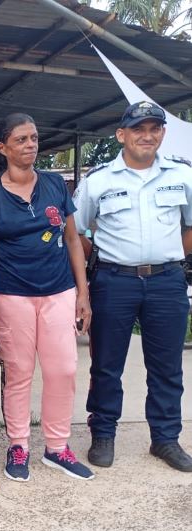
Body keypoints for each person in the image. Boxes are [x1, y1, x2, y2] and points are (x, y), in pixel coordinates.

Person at [0, 113, 94, 482]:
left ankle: (57, 448)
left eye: (34, 138)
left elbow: (73, 240)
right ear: (3, 148)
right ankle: (19, 444)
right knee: (19, 372)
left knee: (64, 369)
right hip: (12, 296)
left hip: (58, 291)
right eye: (22, 139)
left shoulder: (56, 184)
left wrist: (82, 292)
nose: (30, 145)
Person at [74, 101, 192, 472]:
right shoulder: (99, 181)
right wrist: (109, 260)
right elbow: (76, 233)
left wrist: (163, 257)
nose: (147, 135)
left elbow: (189, 228)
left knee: (167, 366)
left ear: (162, 134)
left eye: (154, 128)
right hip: (114, 282)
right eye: (138, 129)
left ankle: (166, 439)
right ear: (121, 135)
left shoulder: (182, 176)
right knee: (107, 364)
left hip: (167, 282)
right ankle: (103, 433)